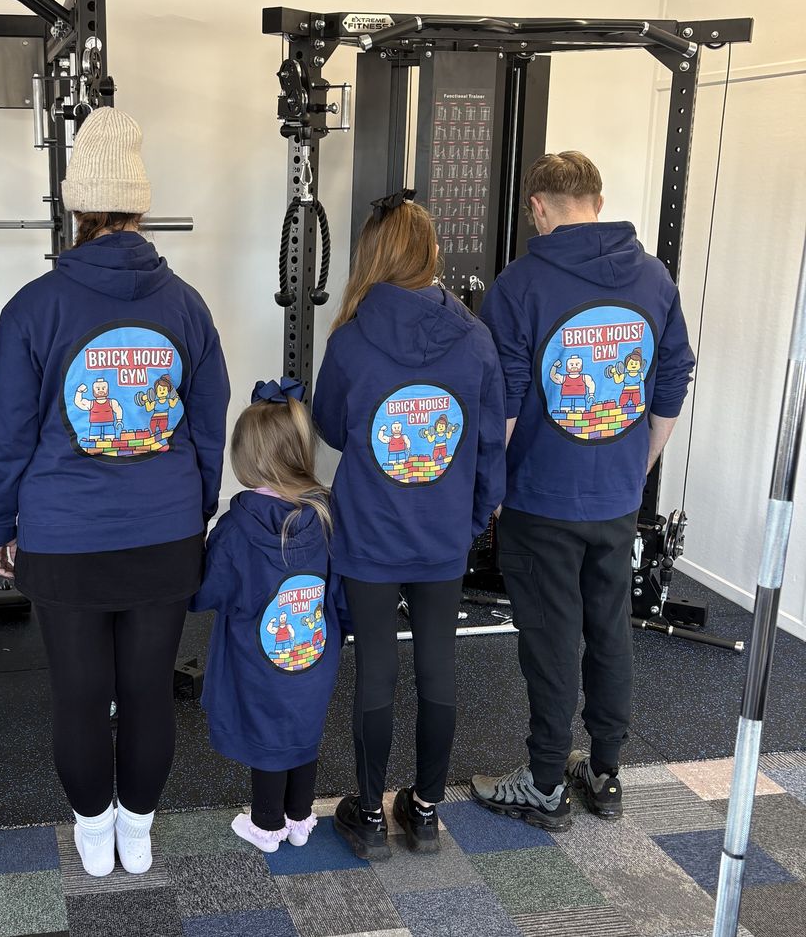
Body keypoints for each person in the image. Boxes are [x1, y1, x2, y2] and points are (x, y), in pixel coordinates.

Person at [0, 107, 229, 877]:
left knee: (81, 692)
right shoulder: (187, 306)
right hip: (163, 534)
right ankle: (138, 827)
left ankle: (94, 832)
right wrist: (197, 508)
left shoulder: (32, 308)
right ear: (141, 207)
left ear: (77, 207)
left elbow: (7, 432)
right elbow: (211, 422)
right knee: (148, 689)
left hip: (63, 537)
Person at [472, 151, 694, 829]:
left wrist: (495, 487)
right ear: (597, 201)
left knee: (550, 638)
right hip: (615, 498)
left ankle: (543, 782)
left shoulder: (521, 283)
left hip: (540, 497)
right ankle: (603, 770)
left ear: (537, 207)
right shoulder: (653, 277)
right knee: (609, 630)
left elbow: (504, 403)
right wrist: (639, 465)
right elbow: (673, 378)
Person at [313, 190, 506, 861]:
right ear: (429, 251)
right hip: (442, 534)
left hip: (370, 531)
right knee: (438, 665)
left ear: (372, 253)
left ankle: (368, 815)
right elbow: (488, 448)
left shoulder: (351, 339)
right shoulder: (475, 339)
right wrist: (470, 519)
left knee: (375, 672)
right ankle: (424, 813)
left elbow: (330, 427)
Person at [190, 378, 342, 853]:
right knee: (304, 727)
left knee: (269, 736)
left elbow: (205, 593)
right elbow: (341, 593)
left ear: (247, 458)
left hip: (256, 661)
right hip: (316, 652)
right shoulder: (327, 514)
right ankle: (300, 818)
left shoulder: (236, 528)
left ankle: (266, 824)